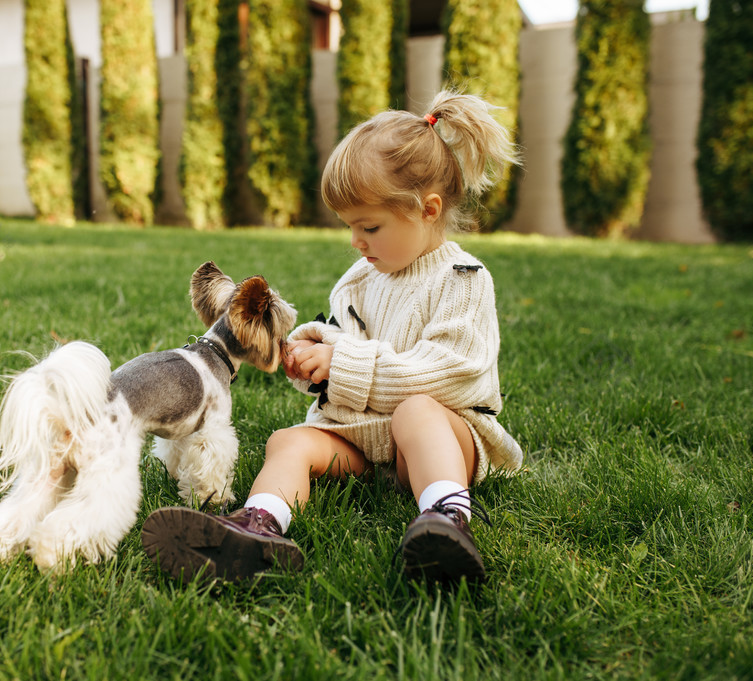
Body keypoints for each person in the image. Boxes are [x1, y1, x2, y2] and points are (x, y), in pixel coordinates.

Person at [141, 90, 524, 584]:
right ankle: (257, 527)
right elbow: (343, 348)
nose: (356, 242)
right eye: (349, 227)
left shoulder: (462, 279)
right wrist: (315, 356)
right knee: (290, 441)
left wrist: (343, 364)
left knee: (416, 412)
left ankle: (446, 522)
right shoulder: (358, 280)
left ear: (428, 210)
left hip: (440, 440)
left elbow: (454, 373)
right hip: (363, 440)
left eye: (369, 226)